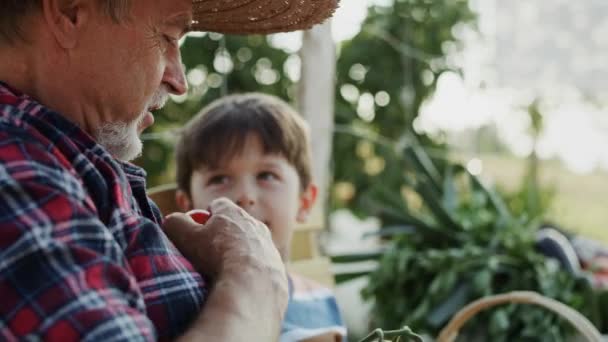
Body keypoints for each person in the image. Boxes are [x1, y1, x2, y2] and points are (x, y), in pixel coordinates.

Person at [0, 0, 338, 340]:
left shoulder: (64, 160)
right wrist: (256, 275)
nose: (179, 81)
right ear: (68, 13)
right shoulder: (14, 168)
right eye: (168, 37)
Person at [174, 93, 346, 342]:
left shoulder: (323, 301)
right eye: (219, 179)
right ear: (188, 205)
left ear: (304, 201)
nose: (245, 196)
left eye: (266, 175)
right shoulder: (186, 305)